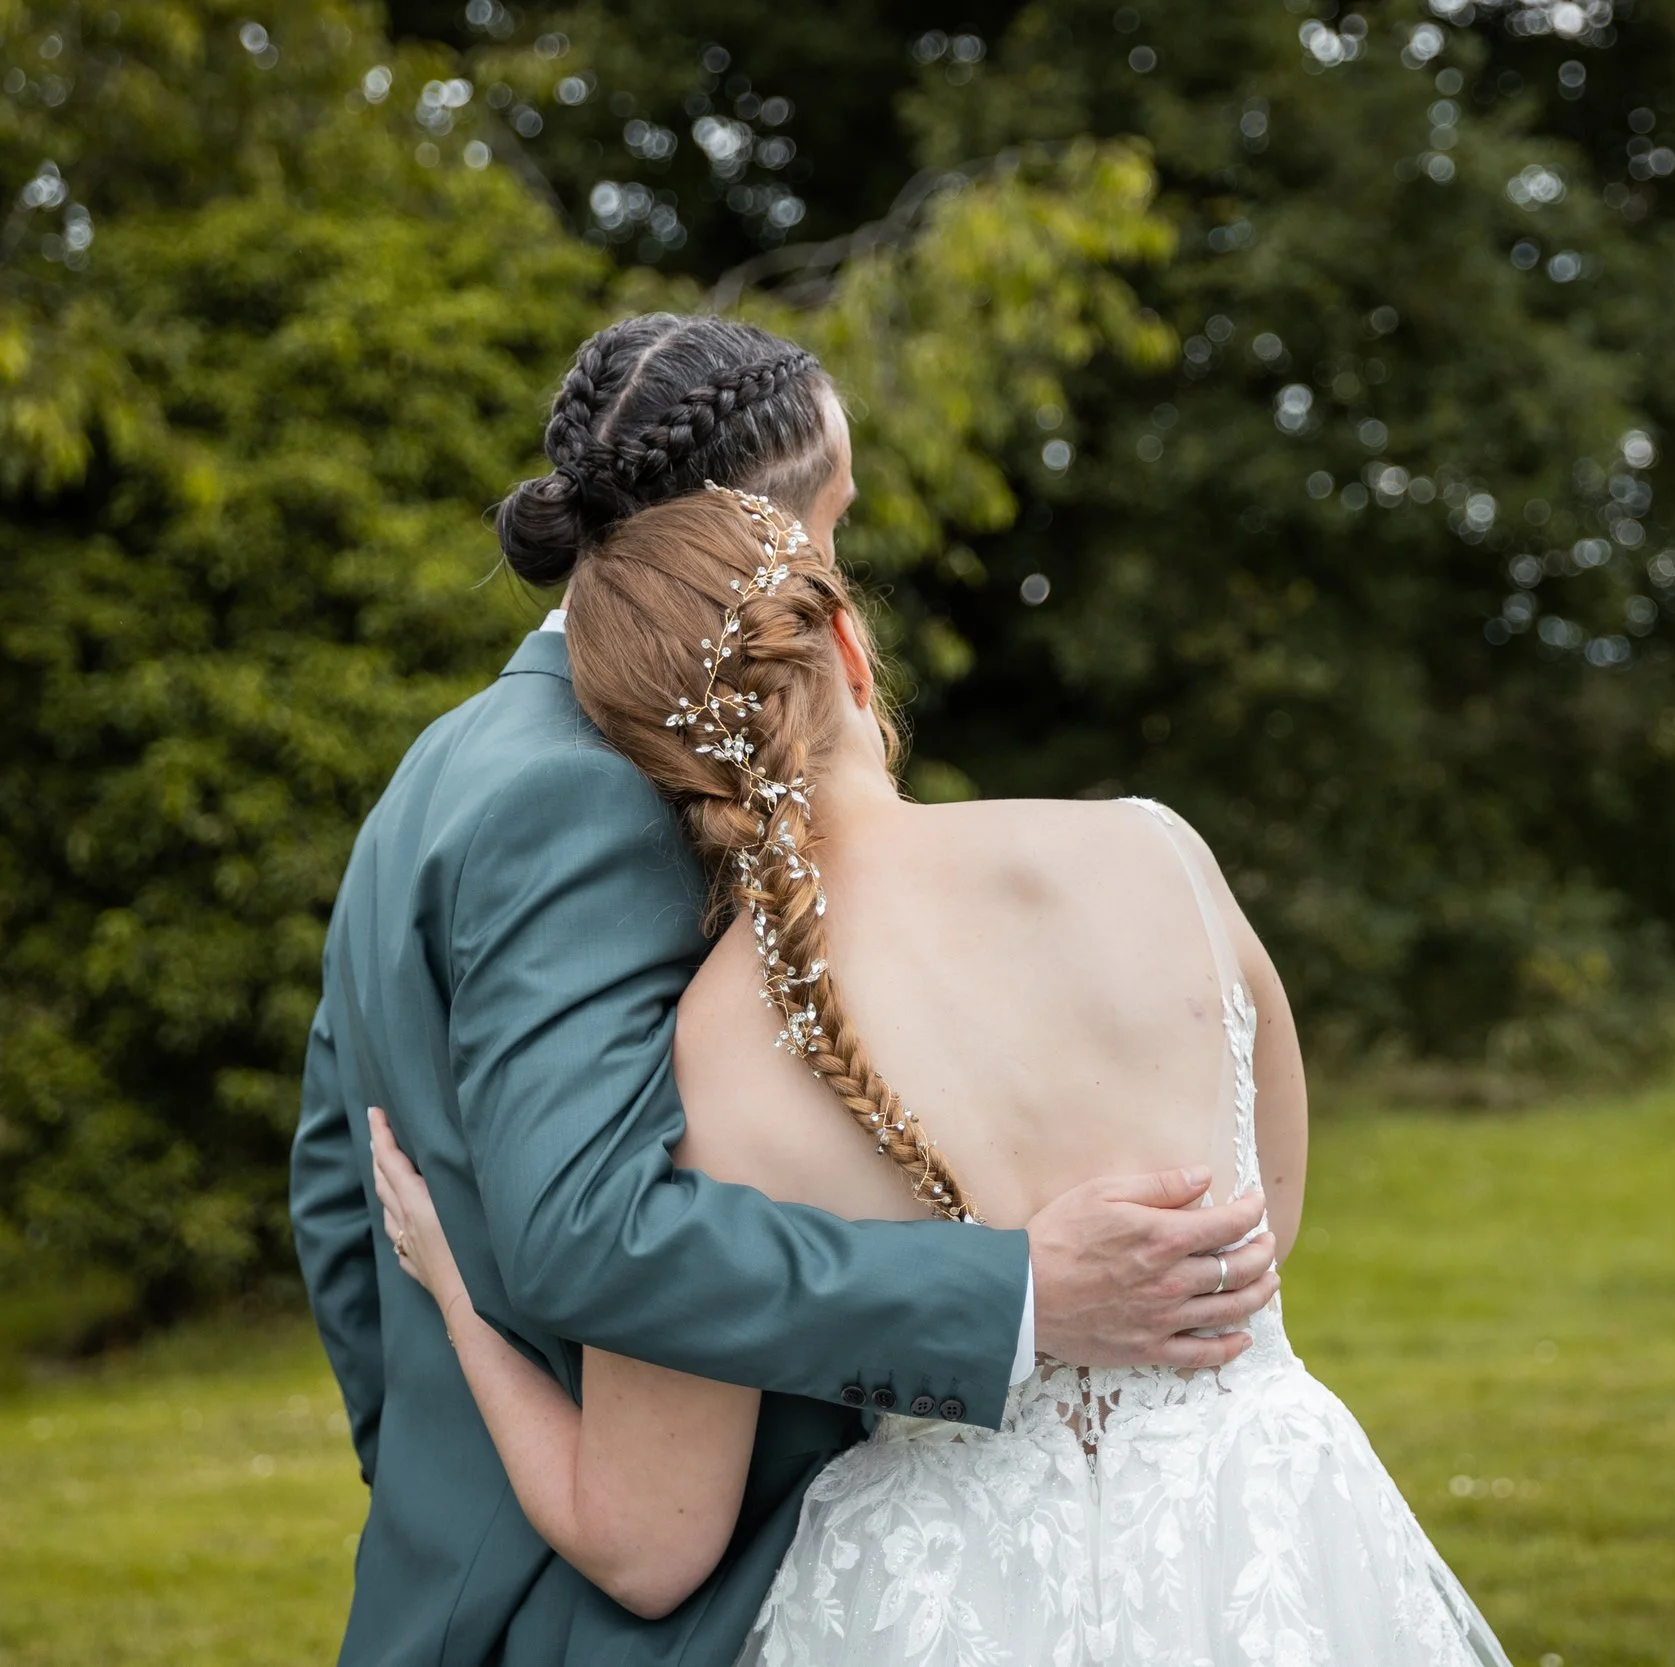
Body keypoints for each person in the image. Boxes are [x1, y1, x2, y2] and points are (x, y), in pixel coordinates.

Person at [363, 471, 1512, 1660]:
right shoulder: (1151, 851)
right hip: (1269, 1545)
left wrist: (459, 1291)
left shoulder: (709, 1059)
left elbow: (649, 1548)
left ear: (651, 759)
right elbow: (1256, 1238)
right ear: (849, 647)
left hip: (946, 1605)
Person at [290, 315, 1276, 1667]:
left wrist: (430, 1478)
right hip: (616, 1614)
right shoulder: (585, 787)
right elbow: (587, 1231)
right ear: (767, 542)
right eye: (837, 520)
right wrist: (1015, 1294)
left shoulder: (446, 757)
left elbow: (340, 1191)